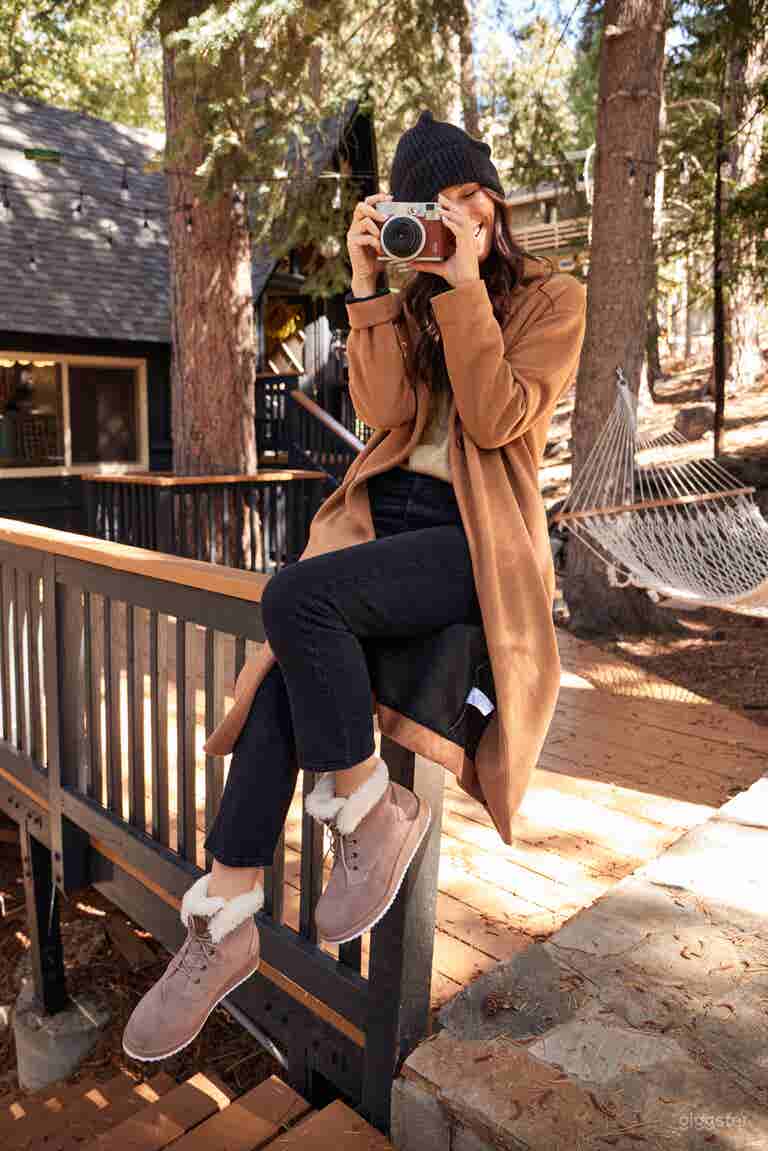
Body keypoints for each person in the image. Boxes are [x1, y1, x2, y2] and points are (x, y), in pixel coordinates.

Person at [122, 109, 587, 1063]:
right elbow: (378, 414)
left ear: (493, 201)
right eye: (433, 206)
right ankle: (227, 916)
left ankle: (371, 808)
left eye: (469, 200)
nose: (456, 219)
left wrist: (464, 289)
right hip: (386, 526)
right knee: (286, 677)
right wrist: (373, 285)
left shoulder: (552, 299)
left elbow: (499, 421)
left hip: (475, 540)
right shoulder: (407, 296)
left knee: (295, 600)